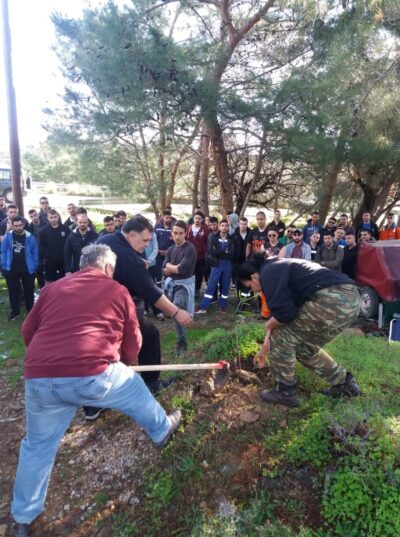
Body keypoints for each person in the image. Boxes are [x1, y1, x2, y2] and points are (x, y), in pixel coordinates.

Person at [10, 244, 181, 537]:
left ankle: (23, 518)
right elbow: (133, 339)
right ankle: (162, 429)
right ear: (109, 269)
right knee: (136, 389)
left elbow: (28, 331)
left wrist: (50, 363)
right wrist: (126, 364)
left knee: (37, 447)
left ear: (81, 265)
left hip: (40, 378)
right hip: (94, 373)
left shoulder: (52, 289)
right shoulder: (117, 291)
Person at [238, 256, 361, 407]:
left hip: (333, 299)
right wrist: (268, 334)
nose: (254, 291)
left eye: (250, 286)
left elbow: (285, 315)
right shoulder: (277, 265)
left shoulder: (268, 272)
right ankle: (344, 383)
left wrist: (268, 327)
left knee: (281, 337)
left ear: (253, 276)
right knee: (304, 348)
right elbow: (288, 310)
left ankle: (285, 392)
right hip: (351, 300)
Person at [97, 216, 192, 395]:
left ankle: (94, 403)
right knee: (149, 335)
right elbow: (151, 292)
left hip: (98, 304)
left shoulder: (106, 240)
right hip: (113, 309)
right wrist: (177, 312)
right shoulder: (128, 258)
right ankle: (150, 383)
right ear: (132, 235)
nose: (147, 245)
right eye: (145, 240)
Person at [163, 221, 197, 355]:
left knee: (177, 308)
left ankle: (182, 342)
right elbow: (163, 270)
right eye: (175, 233)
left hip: (184, 285)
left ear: (186, 233)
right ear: (171, 233)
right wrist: (173, 269)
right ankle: (181, 340)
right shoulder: (171, 249)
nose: (177, 236)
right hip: (172, 284)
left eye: (181, 233)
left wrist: (170, 267)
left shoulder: (190, 248)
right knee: (175, 311)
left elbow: (182, 269)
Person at [0, 216, 38, 321]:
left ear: (23, 225)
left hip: (27, 268)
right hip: (11, 268)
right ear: (12, 225)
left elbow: (35, 252)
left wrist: (34, 266)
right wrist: (3, 266)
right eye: (16, 226)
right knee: (13, 291)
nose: (18, 228)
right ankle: (15, 312)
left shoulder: (30, 237)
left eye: (20, 225)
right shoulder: (8, 237)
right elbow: (3, 251)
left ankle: (31, 311)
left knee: (29, 291)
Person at [196, 219, 235, 314]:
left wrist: (219, 251)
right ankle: (204, 307)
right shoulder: (213, 237)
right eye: (222, 225)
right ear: (219, 226)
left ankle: (223, 306)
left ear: (228, 227)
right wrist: (223, 251)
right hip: (216, 264)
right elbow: (210, 251)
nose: (224, 227)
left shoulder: (231, 239)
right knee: (211, 285)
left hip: (227, 265)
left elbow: (231, 254)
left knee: (225, 285)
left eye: (226, 225)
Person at [39, 209, 70, 283]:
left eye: (55, 217)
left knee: (64, 282)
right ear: (48, 218)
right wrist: (49, 256)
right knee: (50, 283)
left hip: (63, 262)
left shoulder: (65, 229)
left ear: (58, 217)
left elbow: (69, 245)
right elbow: (41, 247)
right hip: (50, 263)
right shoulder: (43, 231)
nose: (53, 219)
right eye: (51, 217)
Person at [186, 211, 209, 298]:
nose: (197, 220)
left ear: (202, 220)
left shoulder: (205, 230)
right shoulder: (188, 228)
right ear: (193, 218)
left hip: (200, 257)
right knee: (189, 273)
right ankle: (188, 289)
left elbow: (208, 243)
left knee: (199, 274)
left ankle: (197, 290)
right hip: (188, 256)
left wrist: (205, 251)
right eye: (196, 218)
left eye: (199, 218)